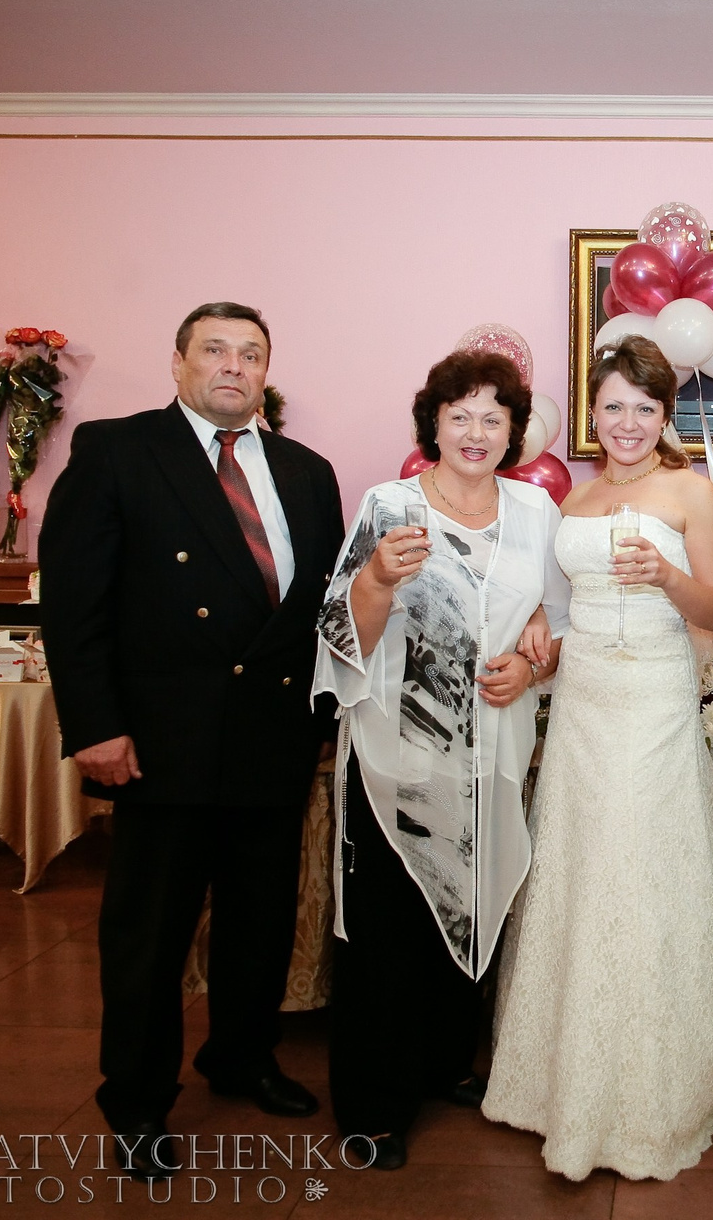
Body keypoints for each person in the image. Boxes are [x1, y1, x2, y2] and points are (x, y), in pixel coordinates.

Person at [40, 302, 346, 1182]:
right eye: (215, 350)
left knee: (260, 921)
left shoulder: (307, 472)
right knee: (151, 934)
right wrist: (96, 725)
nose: (233, 366)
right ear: (178, 363)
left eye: (251, 354)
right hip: (163, 740)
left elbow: (323, 608)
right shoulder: (118, 452)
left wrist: (326, 716)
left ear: (266, 373)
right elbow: (75, 603)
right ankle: (136, 1097)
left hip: (271, 735)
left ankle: (241, 1056)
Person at [483, 336, 713, 1181]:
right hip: (583, 703)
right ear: (592, 413)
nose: (628, 422)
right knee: (579, 869)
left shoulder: (692, 492)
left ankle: (647, 1086)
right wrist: (538, 638)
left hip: (654, 702)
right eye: (613, 406)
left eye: (645, 407)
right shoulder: (577, 498)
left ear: (665, 416)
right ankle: (562, 1080)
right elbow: (560, 613)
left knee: (641, 870)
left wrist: (666, 576)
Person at [313, 350, 566, 1171]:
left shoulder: (536, 512)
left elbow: (560, 623)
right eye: (460, 415)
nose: (476, 431)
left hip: (490, 752)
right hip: (398, 755)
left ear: (514, 432)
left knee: (469, 900)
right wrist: (376, 581)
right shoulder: (389, 506)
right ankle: (373, 1107)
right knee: (386, 926)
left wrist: (531, 665)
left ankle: (445, 1061)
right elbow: (339, 627)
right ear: (434, 424)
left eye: (494, 417)